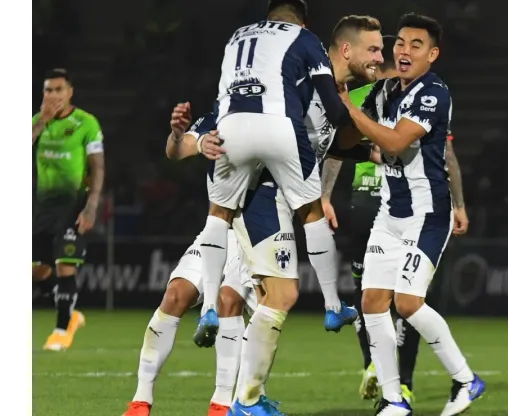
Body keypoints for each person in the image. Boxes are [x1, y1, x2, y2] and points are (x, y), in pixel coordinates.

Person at [227, 12, 390, 416]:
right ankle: (240, 402)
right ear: (346, 49)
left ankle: (247, 399)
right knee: (270, 296)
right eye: (373, 50)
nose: (380, 57)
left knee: (275, 297)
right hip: (260, 193)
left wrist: (372, 136)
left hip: (288, 198)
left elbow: (337, 146)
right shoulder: (299, 81)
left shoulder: (342, 97)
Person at [338, 13, 484, 416]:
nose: (403, 50)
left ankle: (466, 379)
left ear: (432, 55)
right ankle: (394, 399)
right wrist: (337, 106)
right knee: (372, 302)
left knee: (406, 303)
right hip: (390, 213)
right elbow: (349, 136)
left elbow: (397, 142)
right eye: (399, 43)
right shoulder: (383, 90)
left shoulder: (434, 92)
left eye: (415, 45)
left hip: (427, 215)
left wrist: (350, 110)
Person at [192, 0, 358, 351]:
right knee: (311, 213)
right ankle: (332, 306)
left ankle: (207, 308)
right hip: (280, 125)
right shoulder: (305, 37)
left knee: (218, 214)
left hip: (230, 127)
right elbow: (330, 100)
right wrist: (353, 128)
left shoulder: (236, 37)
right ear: (303, 17)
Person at [122, 108, 261, 416]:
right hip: (215, 228)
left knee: (229, 301)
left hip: (251, 231)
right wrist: (177, 136)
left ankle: (222, 404)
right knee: (174, 295)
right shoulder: (223, 110)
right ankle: (140, 401)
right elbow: (176, 151)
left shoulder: (277, 112)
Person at [31, 68, 105, 352]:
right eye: (48, 90)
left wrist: (91, 206)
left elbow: (97, 168)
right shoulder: (38, 122)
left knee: (65, 266)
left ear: (70, 92)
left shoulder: (86, 123)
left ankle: (62, 330)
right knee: (37, 270)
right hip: (42, 207)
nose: (52, 95)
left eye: (58, 90)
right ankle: (72, 315)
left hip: (73, 205)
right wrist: (41, 123)